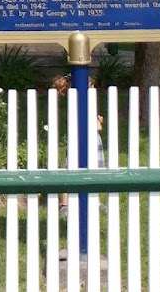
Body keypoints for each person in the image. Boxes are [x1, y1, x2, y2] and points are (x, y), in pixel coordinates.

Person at [54, 73, 104, 217]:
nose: (92, 87)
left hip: (87, 138)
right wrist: (99, 122)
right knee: (73, 168)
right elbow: (96, 127)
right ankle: (65, 204)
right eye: (90, 85)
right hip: (86, 138)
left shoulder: (79, 101)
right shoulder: (83, 102)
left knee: (84, 169)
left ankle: (70, 203)